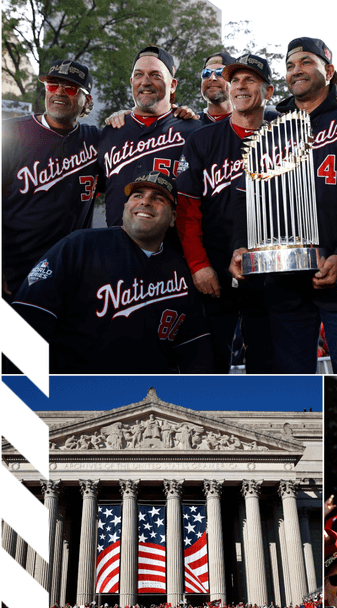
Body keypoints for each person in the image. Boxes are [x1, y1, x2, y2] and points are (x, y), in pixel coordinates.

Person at [232, 37, 337, 374]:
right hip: (285, 279)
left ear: (328, 70)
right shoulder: (273, 128)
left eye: (306, 62)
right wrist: (239, 246)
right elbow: (246, 195)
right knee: (294, 382)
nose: (296, 71)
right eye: (290, 66)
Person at [11, 171, 213, 373]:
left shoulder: (181, 271)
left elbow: (195, 348)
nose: (145, 202)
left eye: (158, 198)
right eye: (137, 195)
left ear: (173, 218)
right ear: (125, 207)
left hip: (150, 397)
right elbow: (26, 320)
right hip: (77, 392)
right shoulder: (79, 246)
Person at [173, 53, 278, 373]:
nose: (240, 86)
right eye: (235, 80)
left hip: (269, 267)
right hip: (215, 267)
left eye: (250, 80)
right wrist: (198, 265)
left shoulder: (284, 134)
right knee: (211, 361)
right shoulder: (202, 139)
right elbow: (187, 211)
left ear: (269, 92)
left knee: (268, 362)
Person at [2, 58, 100, 299]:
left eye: (70, 88)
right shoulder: (12, 133)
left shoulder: (97, 140)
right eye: (52, 85)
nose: (59, 93)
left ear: (86, 100)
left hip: (71, 272)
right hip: (15, 271)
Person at [96, 46, 202, 229]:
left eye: (155, 75)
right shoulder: (111, 130)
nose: (145, 82)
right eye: (139, 75)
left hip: (174, 250)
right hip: (116, 246)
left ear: (172, 85)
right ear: (131, 81)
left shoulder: (193, 131)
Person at [196, 51, 236, 124]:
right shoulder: (190, 124)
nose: (212, 78)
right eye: (206, 73)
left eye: (220, 72)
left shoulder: (252, 127)